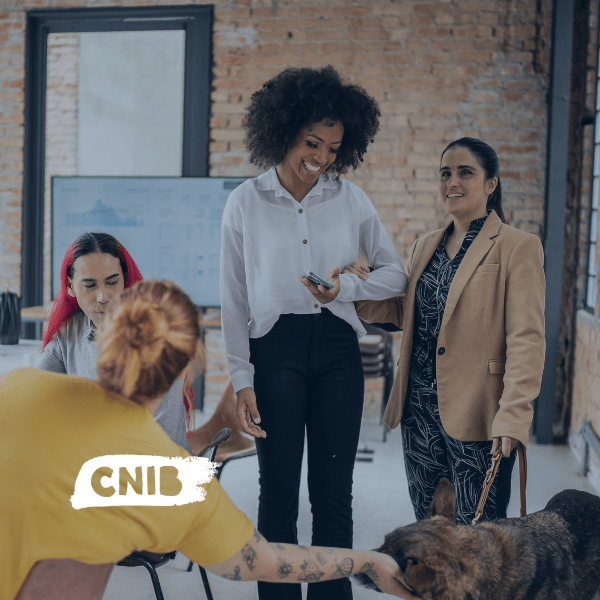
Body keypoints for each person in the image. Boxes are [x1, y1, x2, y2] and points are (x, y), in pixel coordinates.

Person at [0, 280, 417, 600]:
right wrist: (369, 561)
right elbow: (267, 561)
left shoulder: (16, 386)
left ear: (107, 332)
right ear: (191, 365)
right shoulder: (171, 480)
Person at [220, 65, 408, 600]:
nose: (322, 157)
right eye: (312, 142)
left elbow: (395, 275)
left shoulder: (350, 199)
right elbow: (234, 297)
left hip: (337, 351)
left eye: (333, 147)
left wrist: (344, 287)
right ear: (283, 132)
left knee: (333, 496)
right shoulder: (244, 203)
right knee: (277, 493)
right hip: (272, 352)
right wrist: (241, 377)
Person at [342, 137, 545, 525]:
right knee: (429, 529)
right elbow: (405, 312)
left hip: (479, 413)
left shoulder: (518, 247)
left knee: (479, 535)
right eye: (445, 173)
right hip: (419, 413)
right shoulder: (425, 246)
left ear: (491, 184)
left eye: (465, 172)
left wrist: (513, 416)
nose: (453, 181)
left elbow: (527, 339)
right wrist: (359, 286)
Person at [36, 232, 193, 452]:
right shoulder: (69, 332)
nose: (103, 297)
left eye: (112, 282)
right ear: (70, 287)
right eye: (90, 285)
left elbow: (155, 437)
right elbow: (36, 394)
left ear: (125, 281)